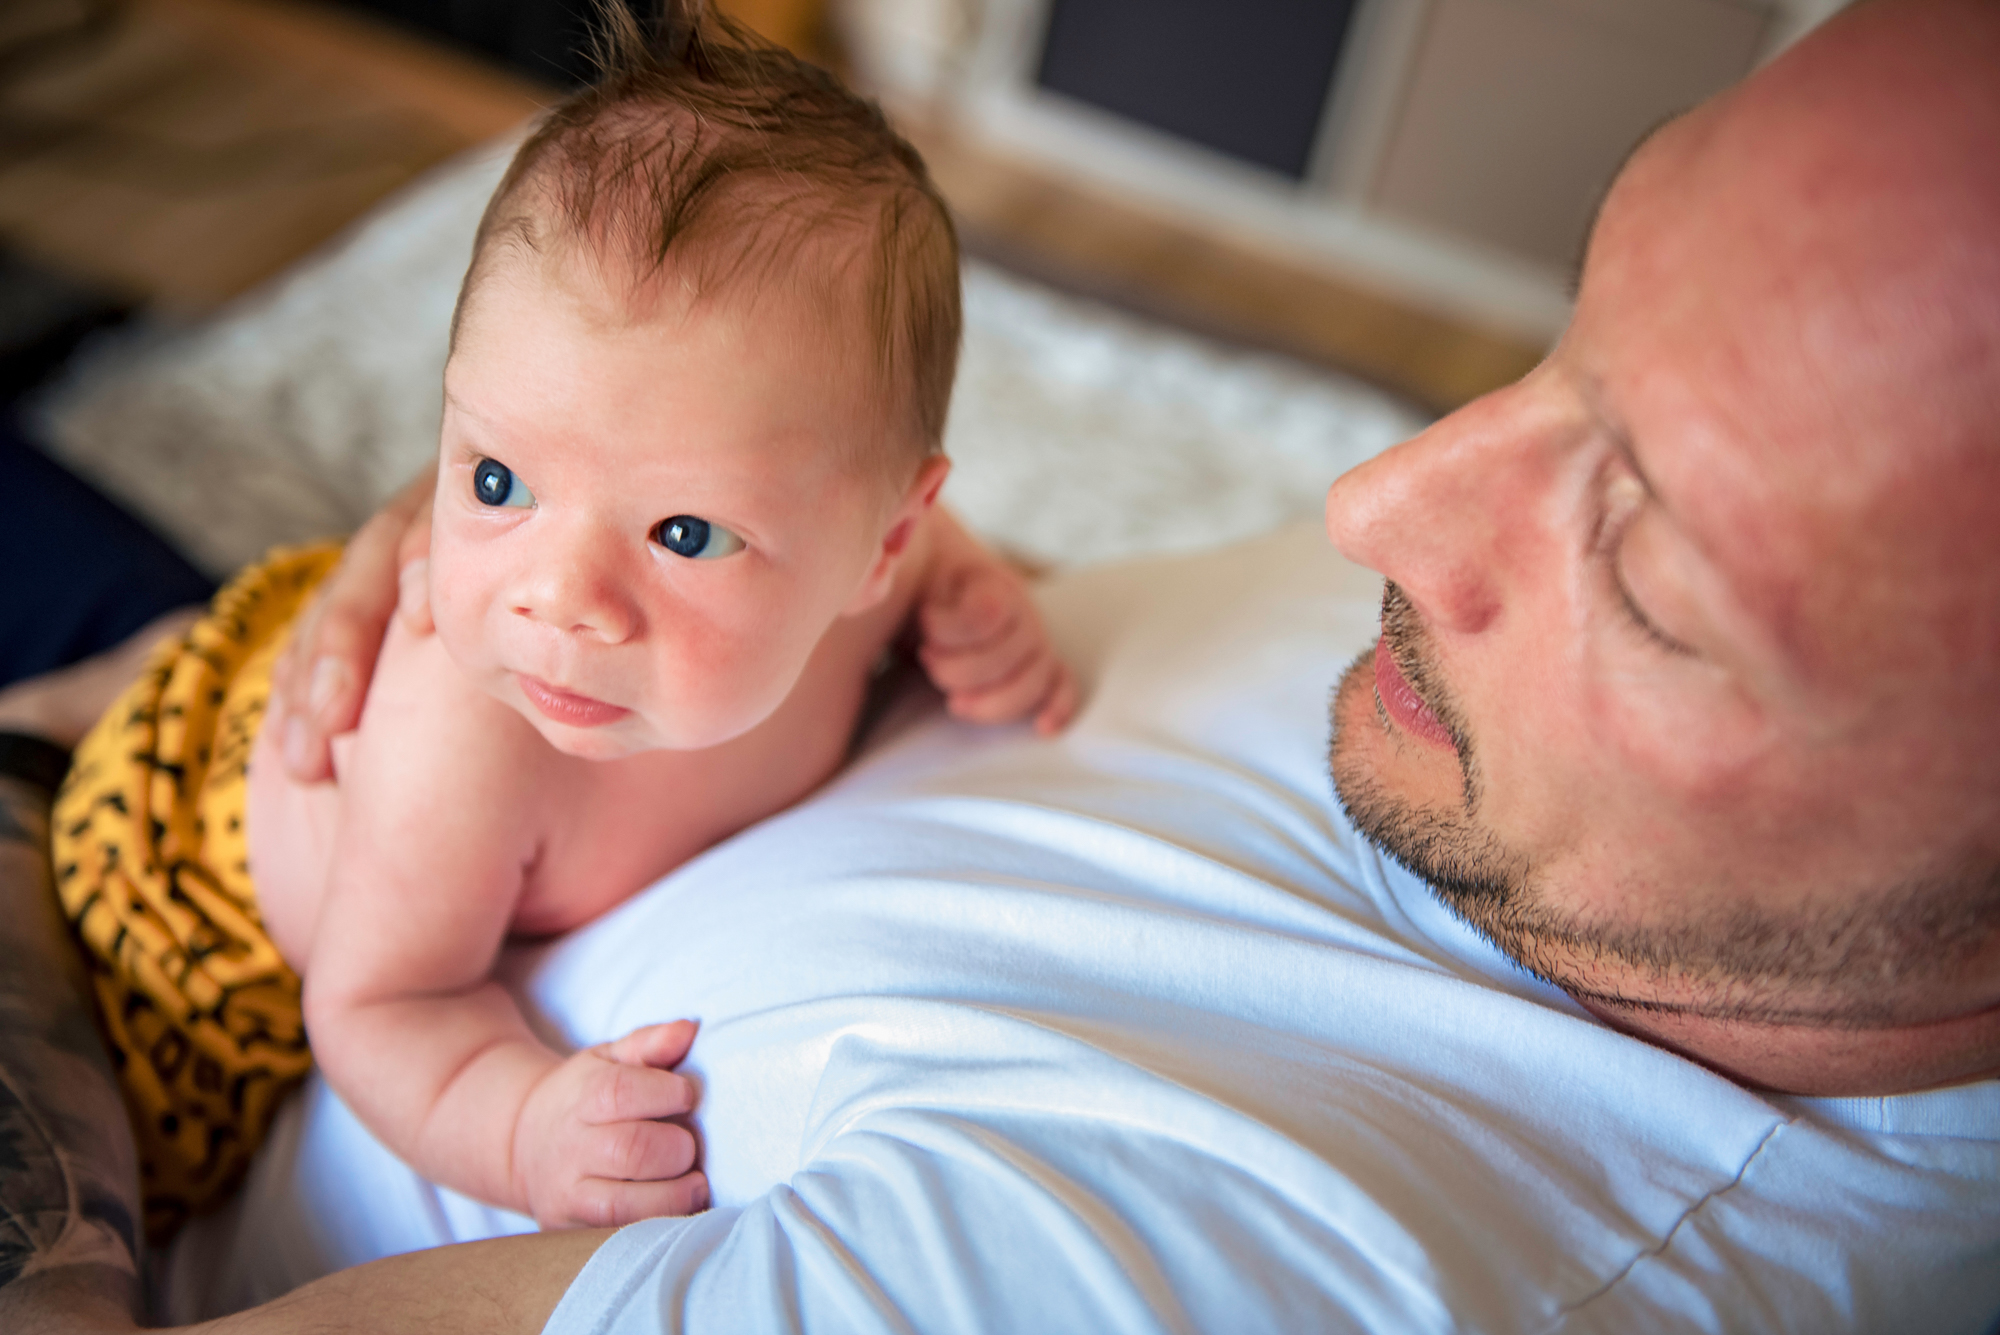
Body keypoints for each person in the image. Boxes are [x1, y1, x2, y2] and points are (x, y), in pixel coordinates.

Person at [2, 0, 1996, 1330]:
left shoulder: (1180, 1257)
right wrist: (499, 524)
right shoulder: (1643, 776)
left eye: (1645, 562)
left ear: (886, 519)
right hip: (253, 685)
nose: (1375, 501)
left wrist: (520, 1121)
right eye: (1563, 340)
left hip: (95, 931)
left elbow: (384, 1002)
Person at [41, 1, 1076, 1248]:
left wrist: (980, 598)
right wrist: (523, 1123)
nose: (558, 601)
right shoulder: (465, 740)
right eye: (495, 481)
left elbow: (939, 559)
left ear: (884, 545)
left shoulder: (888, 578)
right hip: (178, 886)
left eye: (684, 534)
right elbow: (381, 1006)